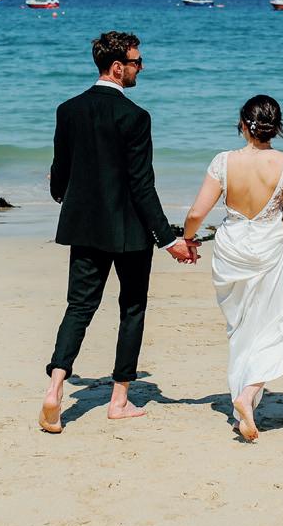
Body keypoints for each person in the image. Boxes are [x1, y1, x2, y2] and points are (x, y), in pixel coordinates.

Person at [39, 31, 199, 433]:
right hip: (129, 231)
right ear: (117, 67)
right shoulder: (135, 117)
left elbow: (60, 175)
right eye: (136, 61)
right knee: (132, 309)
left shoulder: (68, 110)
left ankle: (55, 388)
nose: (140, 67)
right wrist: (169, 240)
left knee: (79, 307)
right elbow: (142, 185)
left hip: (84, 227)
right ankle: (119, 400)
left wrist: (63, 193)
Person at [183, 95, 283, 441]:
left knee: (241, 328)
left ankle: (244, 399)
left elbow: (197, 213)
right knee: (272, 325)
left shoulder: (223, 162)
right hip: (269, 249)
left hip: (232, 250)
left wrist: (187, 239)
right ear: (277, 127)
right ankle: (247, 392)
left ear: (243, 125)